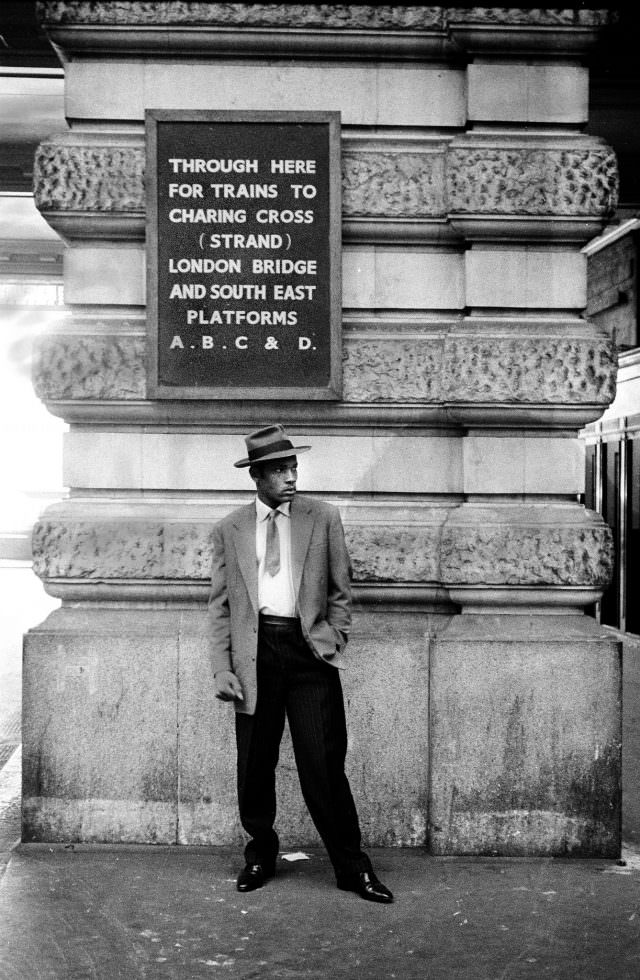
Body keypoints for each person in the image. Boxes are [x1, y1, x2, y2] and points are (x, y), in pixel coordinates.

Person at [208, 424, 393, 904]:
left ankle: (353, 867)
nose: (291, 476)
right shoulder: (230, 528)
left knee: (323, 765)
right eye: (280, 470)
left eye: (294, 467)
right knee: (254, 764)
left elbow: (341, 589)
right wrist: (222, 667)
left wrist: (332, 638)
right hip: (255, 656)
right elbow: (221, 605)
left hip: (308, 654)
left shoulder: (322, 517)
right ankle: (259, 854)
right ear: (258, 477)